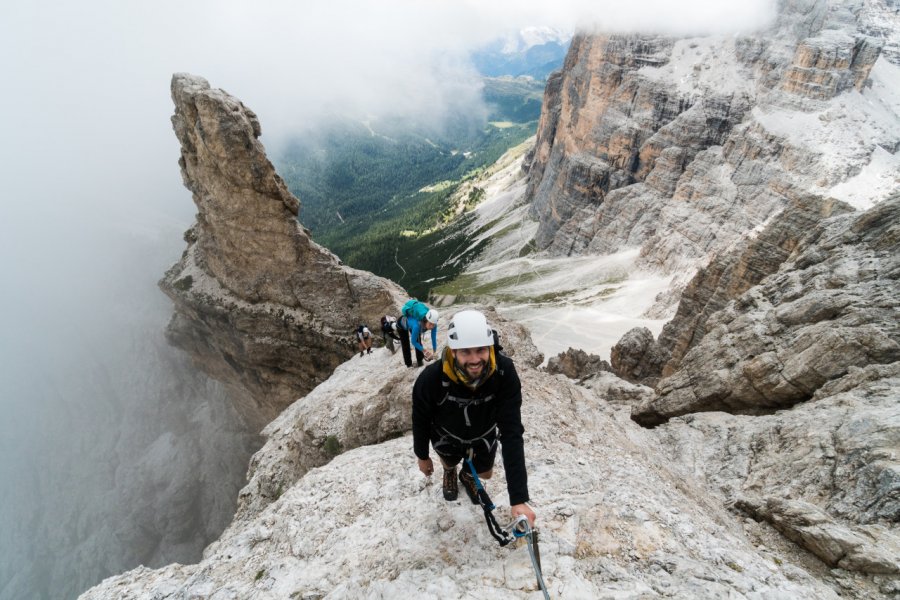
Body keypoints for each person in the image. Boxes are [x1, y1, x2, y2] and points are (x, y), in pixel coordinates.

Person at [412, 309, 535, 526]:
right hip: (446, 436)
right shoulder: (432, 379)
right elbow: (420, 418)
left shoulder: (503, 373)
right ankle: (450, 470)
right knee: (449, 460)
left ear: (489, 347)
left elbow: (512, 431)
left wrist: (519, 499)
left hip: (483, 435)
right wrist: (422, 456)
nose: (475, 359)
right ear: (453, 351)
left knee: (484, 474)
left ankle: (468, 475)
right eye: (465, 352)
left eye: (480, 350)